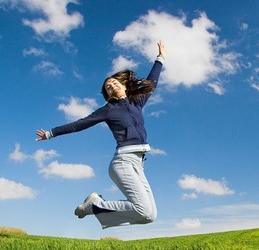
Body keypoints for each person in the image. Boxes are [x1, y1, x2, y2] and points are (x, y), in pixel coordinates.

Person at [36, 41, 166, 229]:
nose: (112, 86)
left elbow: (151, 82)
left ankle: (94, 207)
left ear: (123, 84)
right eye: (108, 87)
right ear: (107, 94)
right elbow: (79, 124)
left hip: (139, 163)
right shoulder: (108, 110)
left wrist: (160, 58)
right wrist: (51, 133)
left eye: (114, 82)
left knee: (150, 216)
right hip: (123, 162)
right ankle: (95, 205)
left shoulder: (136, 103)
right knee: (144, 210)